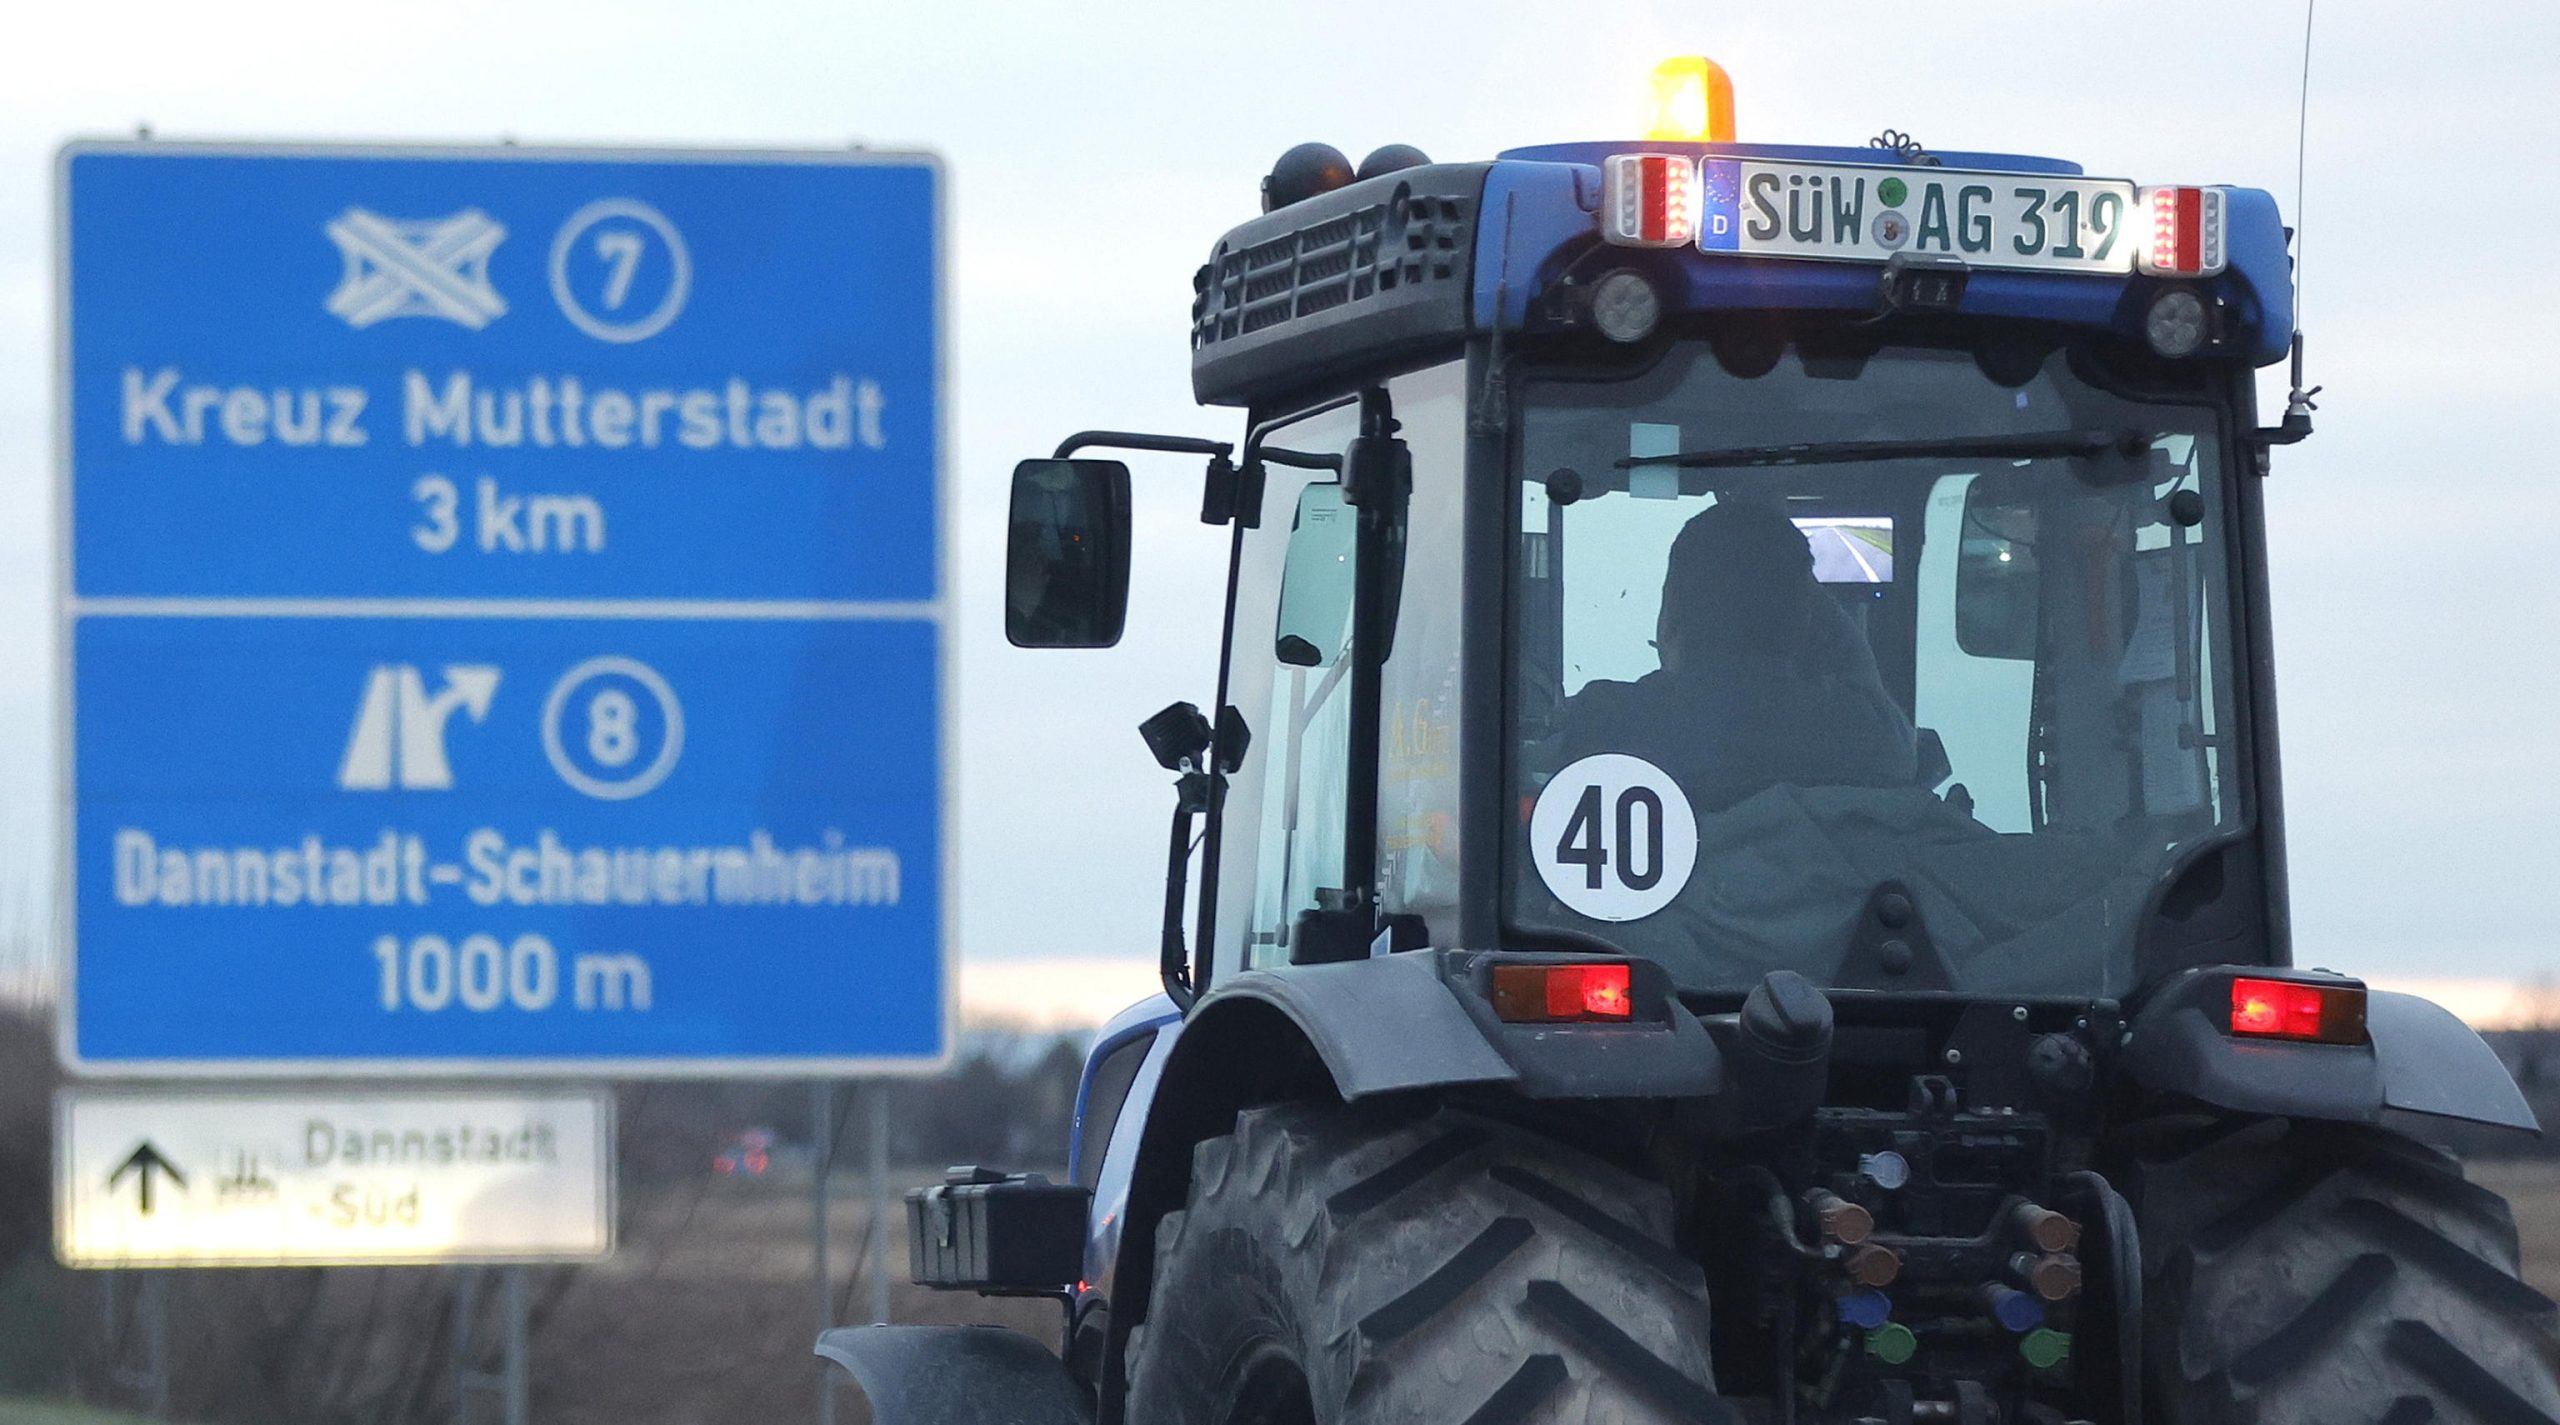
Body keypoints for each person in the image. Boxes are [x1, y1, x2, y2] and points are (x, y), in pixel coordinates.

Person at [1562, 498, 1917, 810]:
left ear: (1673, 611)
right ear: (1801, 620)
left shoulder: (1606, 719)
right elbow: (1897, 743)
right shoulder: (1856, 731)